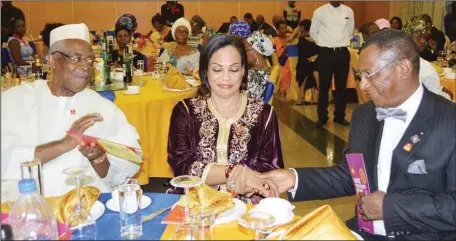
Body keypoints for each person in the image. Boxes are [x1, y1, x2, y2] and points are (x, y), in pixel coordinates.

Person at [258, 30, 456, 240]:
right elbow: (352, 175)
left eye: (370, 75)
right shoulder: (365, 114)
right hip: (364, 231)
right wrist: (294, 178)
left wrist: (391, 208)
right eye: (360, 76)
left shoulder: (449, 121)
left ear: (404, 68)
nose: (362, 85)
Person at [1, 23, 141, 197]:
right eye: (76, 58)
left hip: (89, 206)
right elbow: (5, 160)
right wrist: (63, 145)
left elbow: (118, 176)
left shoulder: (102, 108)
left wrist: (97, 157)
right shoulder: (16, 100)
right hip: (28, 207)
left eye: (90, 60)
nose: (85, 66)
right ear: (52, 60)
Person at [167, 34, 284, 204]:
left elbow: (270, 170)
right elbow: (181, 166)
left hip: (247, 209)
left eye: (234, 69)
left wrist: (248, 185)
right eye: (217, 69)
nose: (226, 77)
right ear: (205, 71)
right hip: (196, 207)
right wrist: (231, 173)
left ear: (244, 71)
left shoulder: (263, 114)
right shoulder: (185, 111)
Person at [310, 1, 354, 128]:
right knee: (324, 86)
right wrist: (325, 44)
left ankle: (340, 116)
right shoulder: (319, 11)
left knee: (341, 87)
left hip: (343, 53)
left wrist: (339, 43)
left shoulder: (348, 11)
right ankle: (322, 117)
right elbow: (313, 32)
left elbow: (350, 31)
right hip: (326, 53)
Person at [402, 17, 451, 100]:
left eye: (425, 38)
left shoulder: (395, 59)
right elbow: (435, 98)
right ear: (407, 38)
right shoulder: (425, 67)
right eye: (418, 38)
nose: (423, 41)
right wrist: (449, 96)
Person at [245, 31, 274, 100]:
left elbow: (249, 101)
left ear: (257, 52)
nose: (244, 52)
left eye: (246, 49)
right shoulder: (268, 70)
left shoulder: (253, 75)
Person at [296, 20, 319, 105]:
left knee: (311, 67)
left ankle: (301, 96)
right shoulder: (301, 38)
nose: (300, 29)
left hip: (316, 59)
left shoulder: (317, 38)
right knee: (304, 66)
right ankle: (301, 94)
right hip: (304, 61)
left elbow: (322, 51)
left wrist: (315, 57)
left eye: (301, 27)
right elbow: (302, 54)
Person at [273, 20, 292, 95]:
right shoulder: (275, 40)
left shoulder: (290, 38)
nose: (284, 30)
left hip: (291, 61)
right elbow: (274, 55)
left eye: (285, 28)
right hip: (281, 63)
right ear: (277, 29)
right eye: (281, 28)